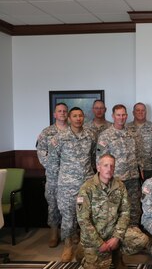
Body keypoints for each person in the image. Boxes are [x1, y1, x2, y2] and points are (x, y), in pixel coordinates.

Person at [76, 153, 150, 269]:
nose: (109, 169)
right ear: (98, 167)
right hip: (95, 237)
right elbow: (83, 220)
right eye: (105, 165)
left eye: (112, 166)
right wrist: (99, 243)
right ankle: (83, 251)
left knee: (141, 240)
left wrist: (116, 237)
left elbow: (125, 212)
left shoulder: (120, 186)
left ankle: (116, 254)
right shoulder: (86, 188)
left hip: (113, 232)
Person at [48, 107, 97, 262]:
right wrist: (59, 181)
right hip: (66, 185)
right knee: (68, 217)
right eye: (74, 116)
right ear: (69, 118)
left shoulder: (91, 135)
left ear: (84, 118)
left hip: (86, 184)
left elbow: (95, 156)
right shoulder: (60, 137)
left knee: (87, 216)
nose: (78, 118)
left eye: (80, 116)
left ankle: (84, 245)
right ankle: (68, 245)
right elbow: (53, 161)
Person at [97, 104, 144, 227]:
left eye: (123, 115)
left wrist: (141, 169)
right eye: (118, 115)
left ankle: (134, 233)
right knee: (116, 208)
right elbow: (100, 158)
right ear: (113, 116)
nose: (121, 117)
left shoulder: (133, 133)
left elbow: (139, 153)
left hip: (133, 177)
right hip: (116, 179)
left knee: (134, 207)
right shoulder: (105, 136)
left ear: (127, 116)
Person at [36, 102, 68, 248]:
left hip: (70, 177)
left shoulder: (73, 131)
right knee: (53, 205)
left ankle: (71, 233)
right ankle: (54, 233)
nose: (62, 113)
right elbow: (41, 152)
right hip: (54, 176)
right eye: (59, 111)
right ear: (54, 114)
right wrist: (52, 166)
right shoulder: (46, 132)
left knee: (71, 206)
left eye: (64, 111)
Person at [126, 102, 152, 181]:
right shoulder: (126, 128)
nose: (140, 112)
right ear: (133, 113)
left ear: (146, 112)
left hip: (150, 167)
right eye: (138, 110)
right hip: (132, 169)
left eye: (143, 110)